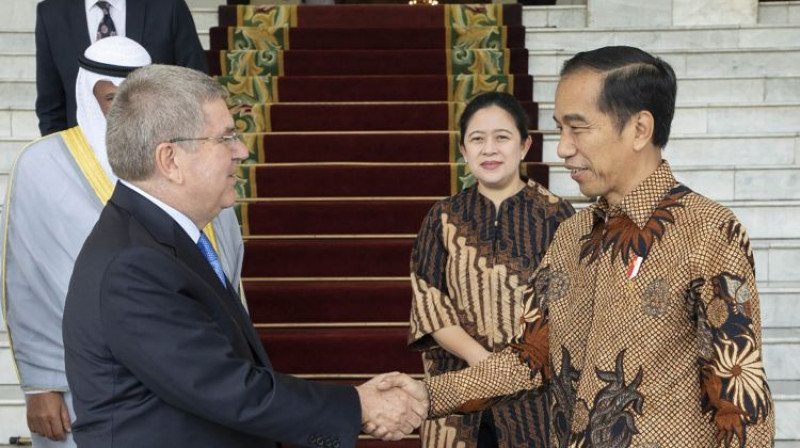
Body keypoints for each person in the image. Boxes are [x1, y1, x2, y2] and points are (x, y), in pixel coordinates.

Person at [384, 46, 776, 447]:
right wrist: (427, 396)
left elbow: (740, 402)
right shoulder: (572, 235)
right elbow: (531, 359)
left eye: (578, 128)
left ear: (640, 129)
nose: (563, 148)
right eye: (560, 129)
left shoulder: (708, 232)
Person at [60, 64, 425, 448]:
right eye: (226, 138)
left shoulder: (157, 239)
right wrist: (359, 406)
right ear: (170, 160)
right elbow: (224, 388)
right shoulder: (134, 265)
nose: (243, 150)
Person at [0, 36, 157, 448]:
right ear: (89, 94)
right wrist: (39, 386)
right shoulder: (42, 164)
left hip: (171, 370)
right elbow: (26, 280)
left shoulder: (176, 157)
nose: (125, 113)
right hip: (77, 380)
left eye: (136, 98)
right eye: (112, 99)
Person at [408, 92, 574, 448]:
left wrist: (512, 373)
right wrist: (484, 365)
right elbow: (430, 303)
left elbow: (565, 304)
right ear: (464, 150)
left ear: (524, 145)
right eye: (477, 139)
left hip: (535, 399)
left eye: (502, 137)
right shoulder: (441, 217)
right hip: (457, 395)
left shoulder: (557, 216)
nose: (489, 149)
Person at [35, 0, 208, 136]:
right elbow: (51, 107)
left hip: (159, 158)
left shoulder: (168, 6)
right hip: (84, 164)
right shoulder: (51, 14)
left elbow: (197, 88)